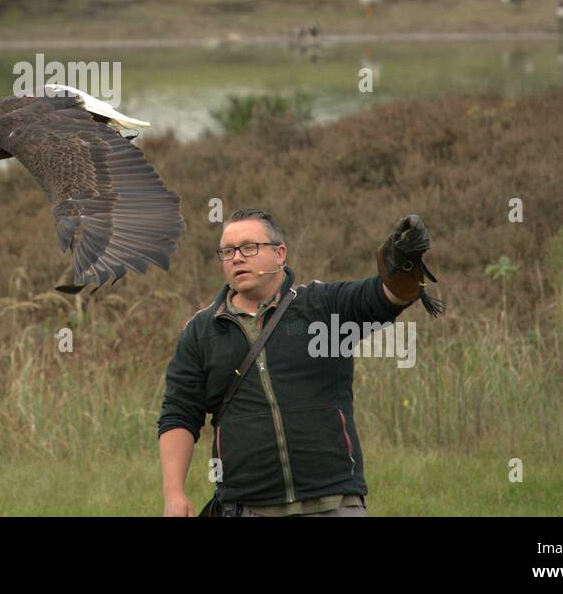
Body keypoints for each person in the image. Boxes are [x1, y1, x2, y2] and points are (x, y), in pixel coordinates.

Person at [157, 207, 439, 516]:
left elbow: (383, 298)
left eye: (249, 247)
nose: (237, 257)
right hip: (249, 507)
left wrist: (405, 265)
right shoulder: (202, 330)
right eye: (227, 251)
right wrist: (174, 492)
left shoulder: (321, 307)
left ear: (280, 254)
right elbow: (179, 413)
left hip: (335, 503)